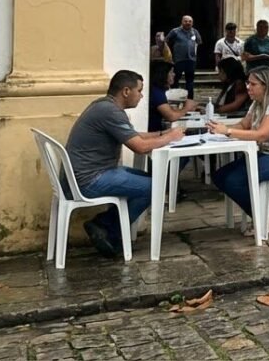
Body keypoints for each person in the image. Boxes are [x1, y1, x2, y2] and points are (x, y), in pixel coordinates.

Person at [65, 71, 186, 257]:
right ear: (126, 91)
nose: (142, 96)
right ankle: (107, 228)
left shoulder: (104, 106)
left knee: (151, 179)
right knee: (156, 186)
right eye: (140, 91)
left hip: (89, 173)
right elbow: (139, 147)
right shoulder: (110, 111)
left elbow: (134, 135)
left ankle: (106, 225)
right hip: (89, 180)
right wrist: (171, 137)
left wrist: (163, 134)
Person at [207, 67, 269, 237]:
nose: (248, 87)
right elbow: (244, 125)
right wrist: (220, 129)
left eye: (253, 84)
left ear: (266, 85)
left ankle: (267, 214)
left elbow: (262, 134)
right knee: (220, 176)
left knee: (234, 180)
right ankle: (262, 212)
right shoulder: (258, 101)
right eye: (248, 83)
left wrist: (228, 131)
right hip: (266, 154)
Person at [147, 59, 196, 134]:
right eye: (171, 72)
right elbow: (171, 116)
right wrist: (187, 108)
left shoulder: (159, 90)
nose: (174, 74)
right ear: (163, 74)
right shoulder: (156, 92)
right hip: (154, 132)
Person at [166, 15, 202, 98]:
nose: (188, 23)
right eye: (186, 21)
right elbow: (166, 40)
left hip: (191, 60)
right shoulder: (175, 31)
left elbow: (199, 42)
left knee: (190, 81)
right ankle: (174, 98)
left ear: (192, 23)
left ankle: (190, 99)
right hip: (178, 60)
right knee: (175, 80)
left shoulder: (195, 32)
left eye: (190, 21)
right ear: (182, 22)